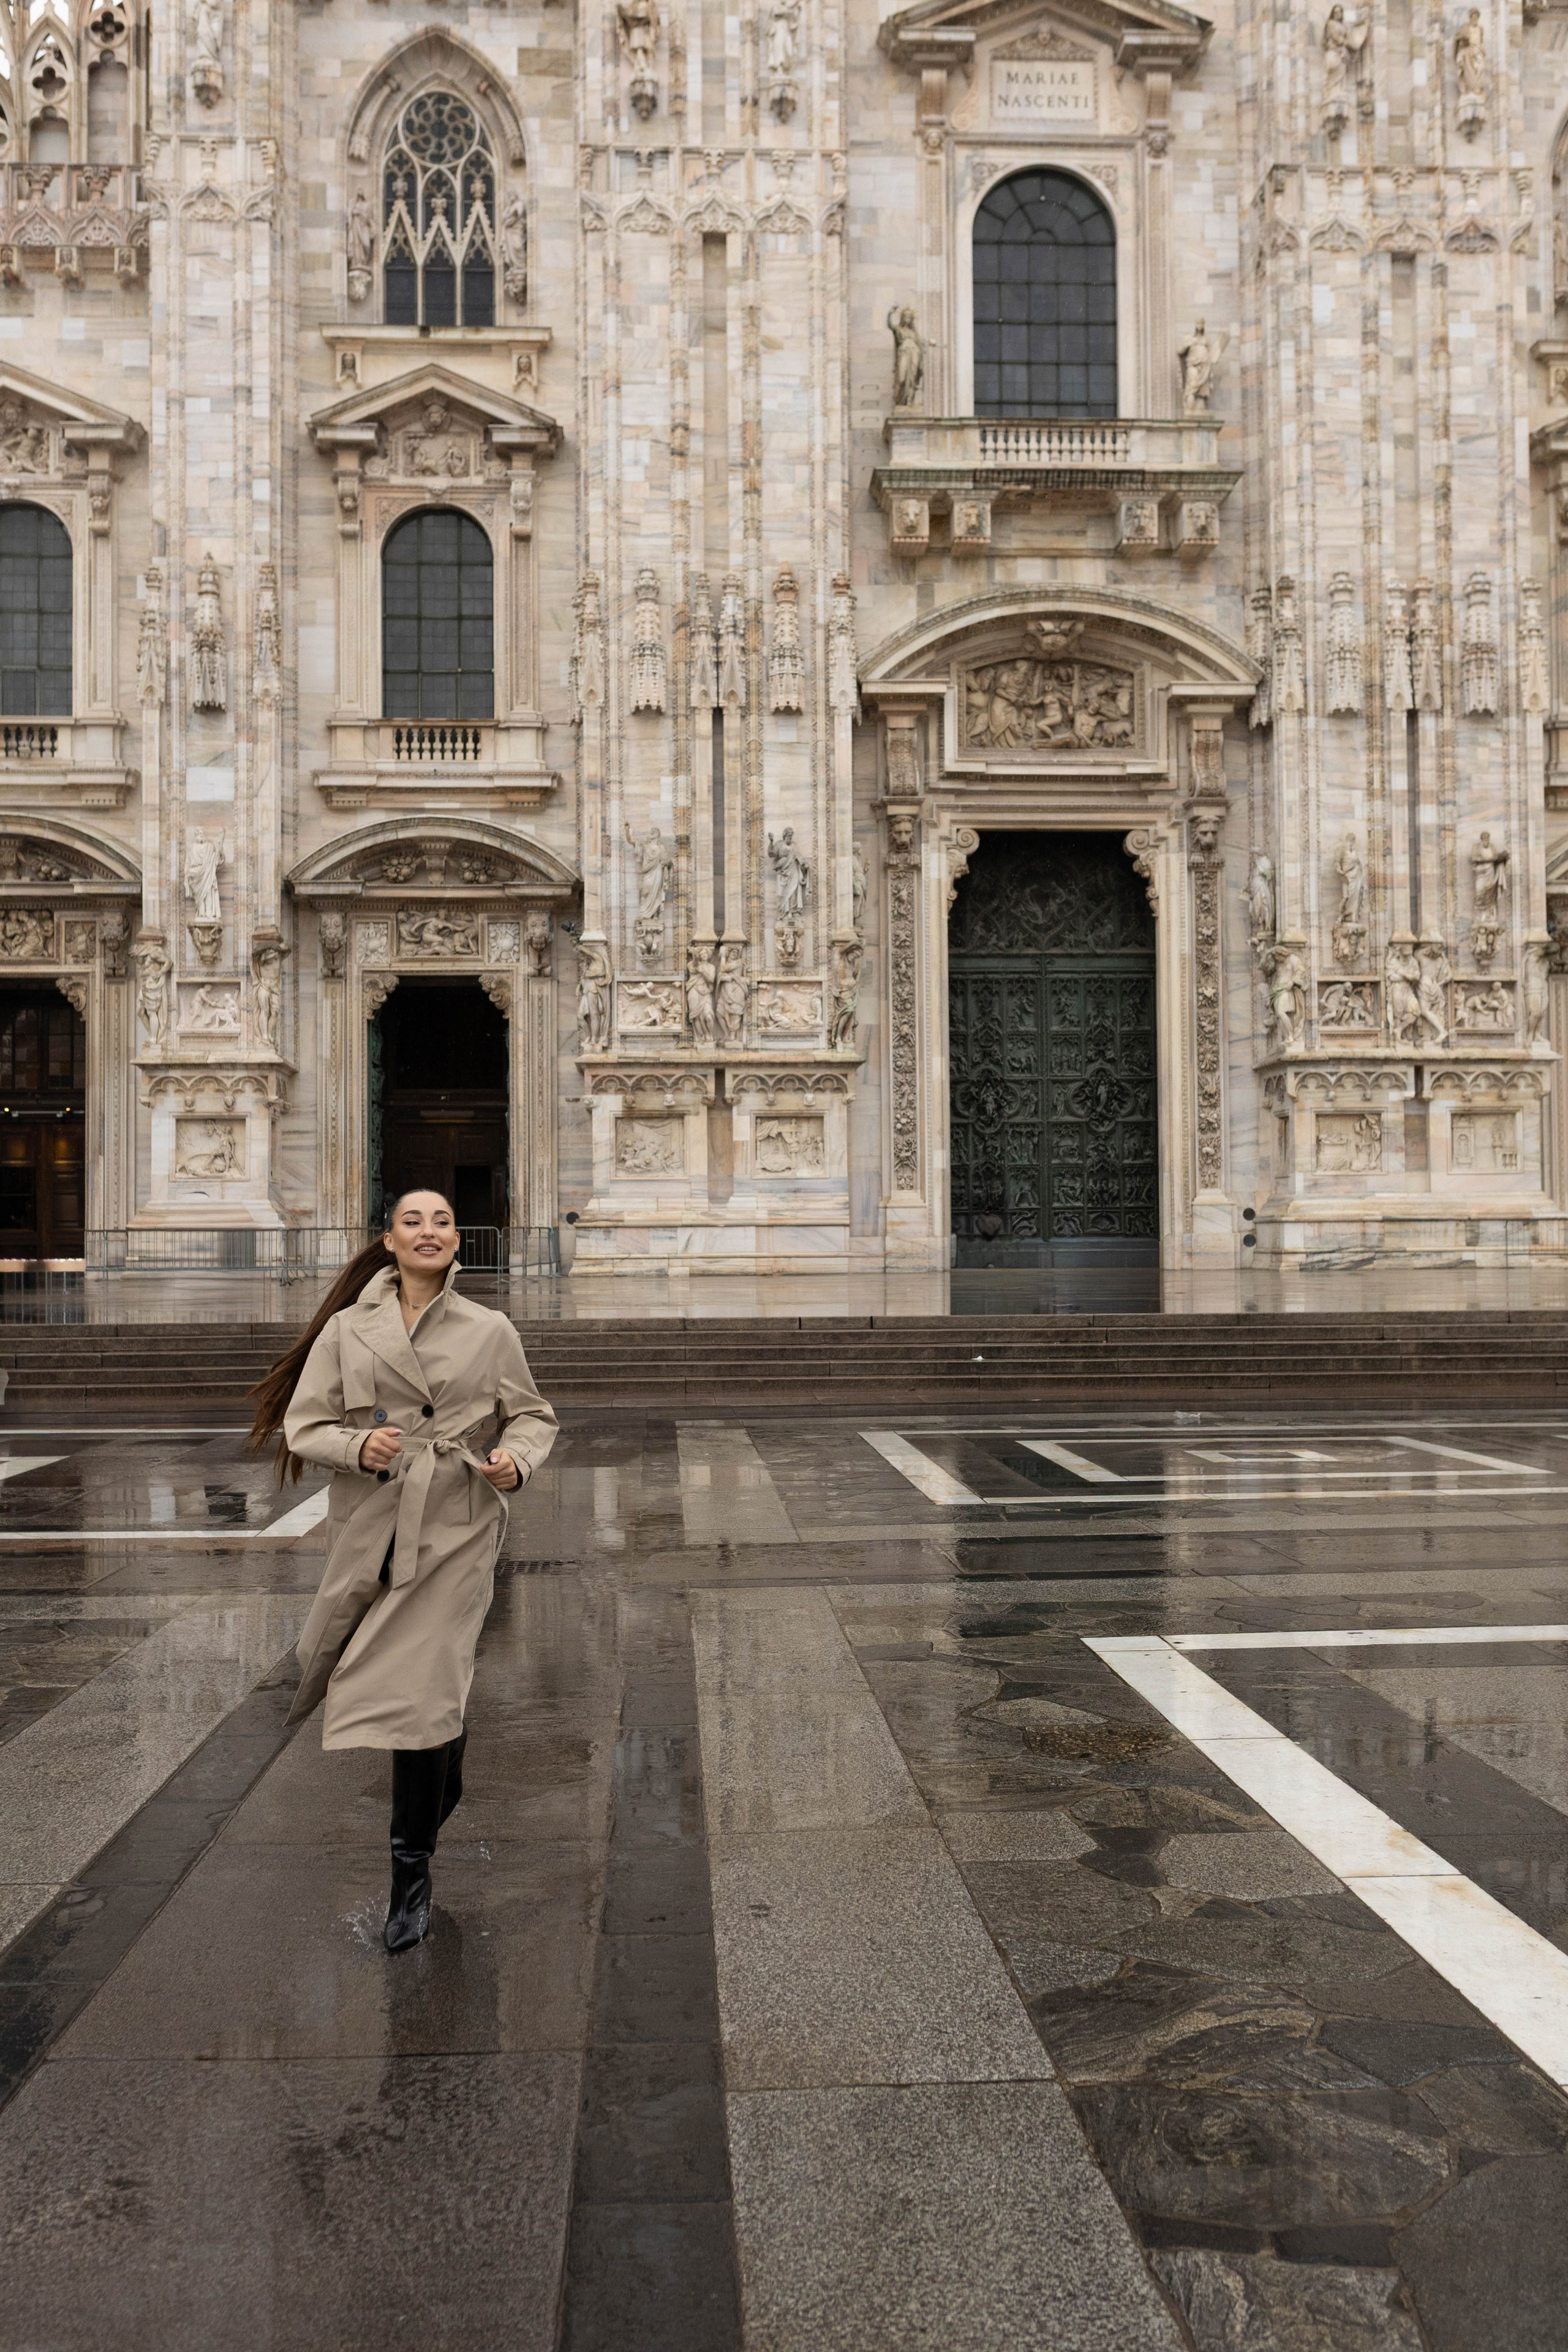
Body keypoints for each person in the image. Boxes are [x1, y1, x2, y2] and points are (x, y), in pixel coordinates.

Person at [247, 1191, 557, 1953]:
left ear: (458, 1242)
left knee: (418, 1692)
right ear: (387, 1240)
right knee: (424, 1697)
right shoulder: (347, 1331)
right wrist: (359, 1449)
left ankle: (409, 1877)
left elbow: (532, 1415)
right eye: (413, 1221)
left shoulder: (490, 1330)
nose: (430, 1232)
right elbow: (305, 1425)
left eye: (444, 1221)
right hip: (372, 1525)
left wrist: (514, 1461)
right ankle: (445, 1753)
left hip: (455, 1523)